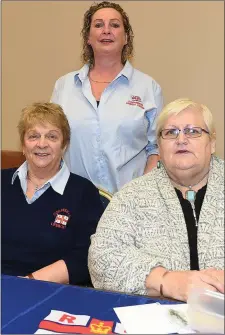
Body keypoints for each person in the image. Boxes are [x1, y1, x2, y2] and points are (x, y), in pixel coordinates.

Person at [88, 98, 224, 302]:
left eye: (193, 131)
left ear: (212, 142)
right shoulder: (133, 194)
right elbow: (102, 257)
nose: (181, 139)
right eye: (170, 132)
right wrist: (165, 281)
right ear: (159, 146)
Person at [51, 1, 163, 195]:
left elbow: (158, 148)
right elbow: (52, 140)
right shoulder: (64, 86)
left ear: (126, 37)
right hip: (73, 202)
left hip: (130, 203)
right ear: (88, 37)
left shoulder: (148, 87)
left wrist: (141, 194)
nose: (106, 30)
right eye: (98, 25)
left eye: (115, 25)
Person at [2, 102, 104, 286]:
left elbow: (86, 256)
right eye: (33, 136)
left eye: (52, 136)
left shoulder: (84, 192)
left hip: (52, 290)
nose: (42, 144)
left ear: (64, 145)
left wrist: (27, 283)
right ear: (23, 144)